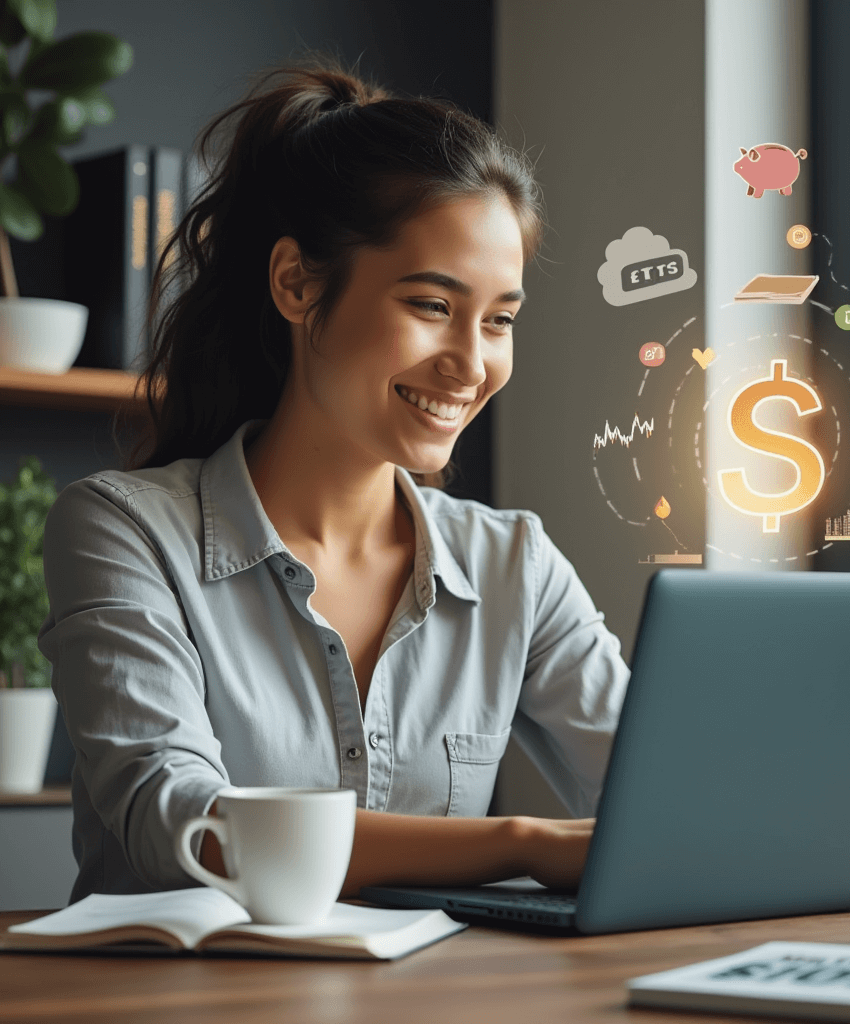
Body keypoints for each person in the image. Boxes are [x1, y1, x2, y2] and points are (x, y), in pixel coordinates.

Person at [38, 55, 630, 905]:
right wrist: (519, 843)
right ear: (296, 282)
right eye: (432, 306)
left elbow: (662, 809)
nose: (472, 362)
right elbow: (183, 828)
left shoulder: (516, 566)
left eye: (500, 320)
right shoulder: (122, 530)